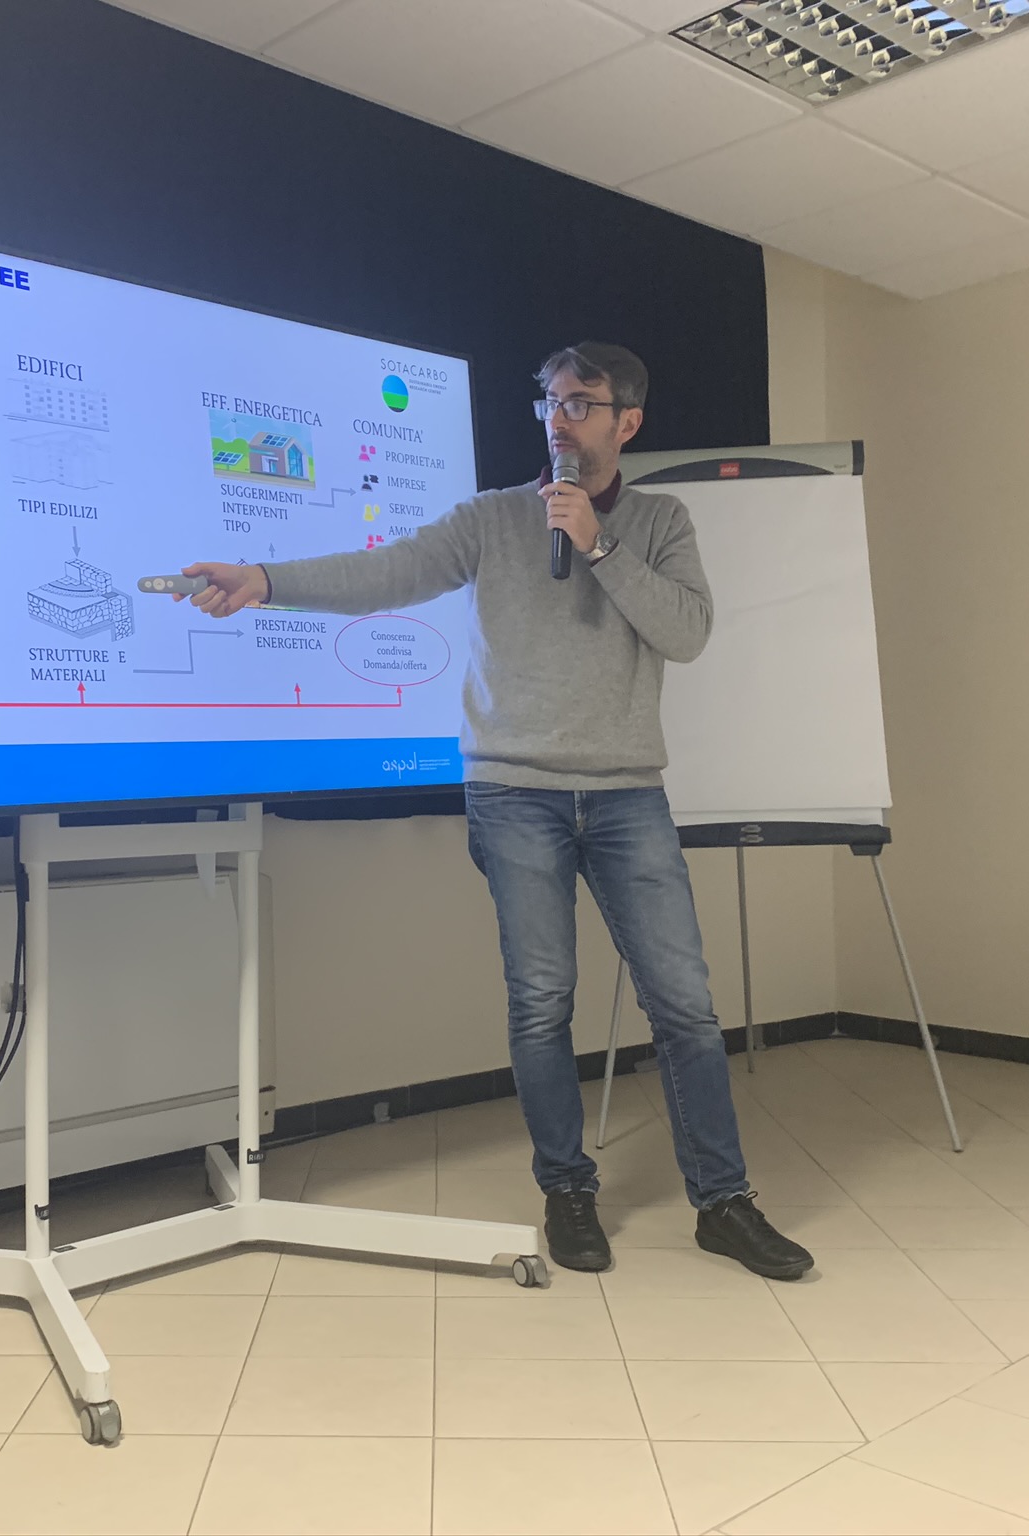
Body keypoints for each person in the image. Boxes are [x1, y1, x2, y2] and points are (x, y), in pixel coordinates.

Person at [179, 343, 812, 1280]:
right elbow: (389, 572)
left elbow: (685, 633)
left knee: (684, 1003)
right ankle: (568, 1192)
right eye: (551, 402)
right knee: (542, 1000)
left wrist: (597, 545)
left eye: (582, 403)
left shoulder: (661, 522)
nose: (561, 420)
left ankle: (723, 1203)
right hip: (514, 792)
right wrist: (267, 579)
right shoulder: (491, 519)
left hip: (628, 794)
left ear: (628, 422)